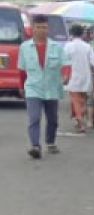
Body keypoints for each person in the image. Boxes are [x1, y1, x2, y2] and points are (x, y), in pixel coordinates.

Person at [18, 14, 67, 159]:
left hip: (52, 88)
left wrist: (65, 76)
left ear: (48, 28)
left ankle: (50, 142)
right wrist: (21, 86)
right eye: (38, 27)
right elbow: (21, 70)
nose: (41, 30)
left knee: (52, 119)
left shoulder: (56, 47)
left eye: (44, 27)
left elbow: (65, 65)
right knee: (34, 118)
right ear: (32, 29)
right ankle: (35, 146)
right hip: (33, 87)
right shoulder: (25, 47)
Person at [63, 24, 94, 134]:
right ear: (82, 34)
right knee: (82, 100)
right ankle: (79, 118)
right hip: (86, 76)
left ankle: (80, 121)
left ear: (71, 33)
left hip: (72, 76)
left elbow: (63, 61)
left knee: (75, 100)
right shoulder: (88, 47)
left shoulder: (68, 46)